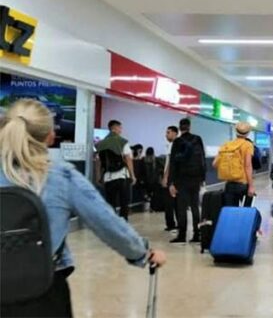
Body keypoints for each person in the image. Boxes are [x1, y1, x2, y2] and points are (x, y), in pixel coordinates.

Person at [0, 99, 166, 317]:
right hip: (43, 291)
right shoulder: (60, 176)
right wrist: (142, 252)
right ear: (50, 136)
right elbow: (106, 222)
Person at [168, 118, 206, 244]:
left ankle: (182, 235)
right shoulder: (198, 139)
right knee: (195, 207)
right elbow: (202, 159)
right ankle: (197, 235)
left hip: (181, 179)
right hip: (195, 178)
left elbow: (173, 163)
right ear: (189, 127)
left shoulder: (177, 141)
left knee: (181, 208)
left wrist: (171, 182)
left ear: (180, 128)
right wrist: (202, 178)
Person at [96, 119, 136, 221]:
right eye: (120, 128)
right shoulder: (122, 141)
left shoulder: (100, 143)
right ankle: (124, 223)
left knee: (110, 203)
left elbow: (98, 162)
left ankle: (112, 224)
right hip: (122, 175)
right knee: (124, 202)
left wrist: (98, 176)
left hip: (108, 177)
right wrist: (132, 175)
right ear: (114, 128)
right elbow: (128, 159)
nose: (121, 130)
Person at [214, 122, 255, 207]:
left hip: (229, 184)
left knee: (230, 211)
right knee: (245, 211)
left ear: (236, 131)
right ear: (248, 133)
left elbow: (214, 164)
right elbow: (248, 166)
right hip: (243, 185)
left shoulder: (226, 145)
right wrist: (251, 186)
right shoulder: (248, 145)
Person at [162, 126, 179, 232]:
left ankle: (171, 224)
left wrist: (165, 177)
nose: (166, 134)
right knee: (176, 202)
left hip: (171, 178)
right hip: (177, 178)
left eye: (168, 132)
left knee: (169, 202)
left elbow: (170, 163)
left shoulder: (173, 145)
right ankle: (178, 223)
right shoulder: (177, 145)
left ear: (175, 133)